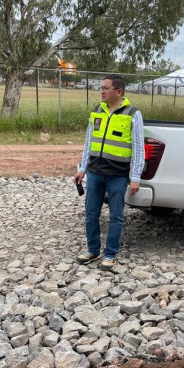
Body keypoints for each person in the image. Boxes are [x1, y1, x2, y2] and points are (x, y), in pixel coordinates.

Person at [73, 75, 144, 271]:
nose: (102, 91)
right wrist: (82, 169)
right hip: (95, 173)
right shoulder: (97, 111)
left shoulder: (132, 114)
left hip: (117, 175)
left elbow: (138, 148)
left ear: (118, 91)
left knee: (116, 216)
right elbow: (89, 142)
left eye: (105, 88)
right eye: (101, 88)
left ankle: (110, 254)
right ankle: (93, 250)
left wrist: (135, 177)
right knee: (91, 213)